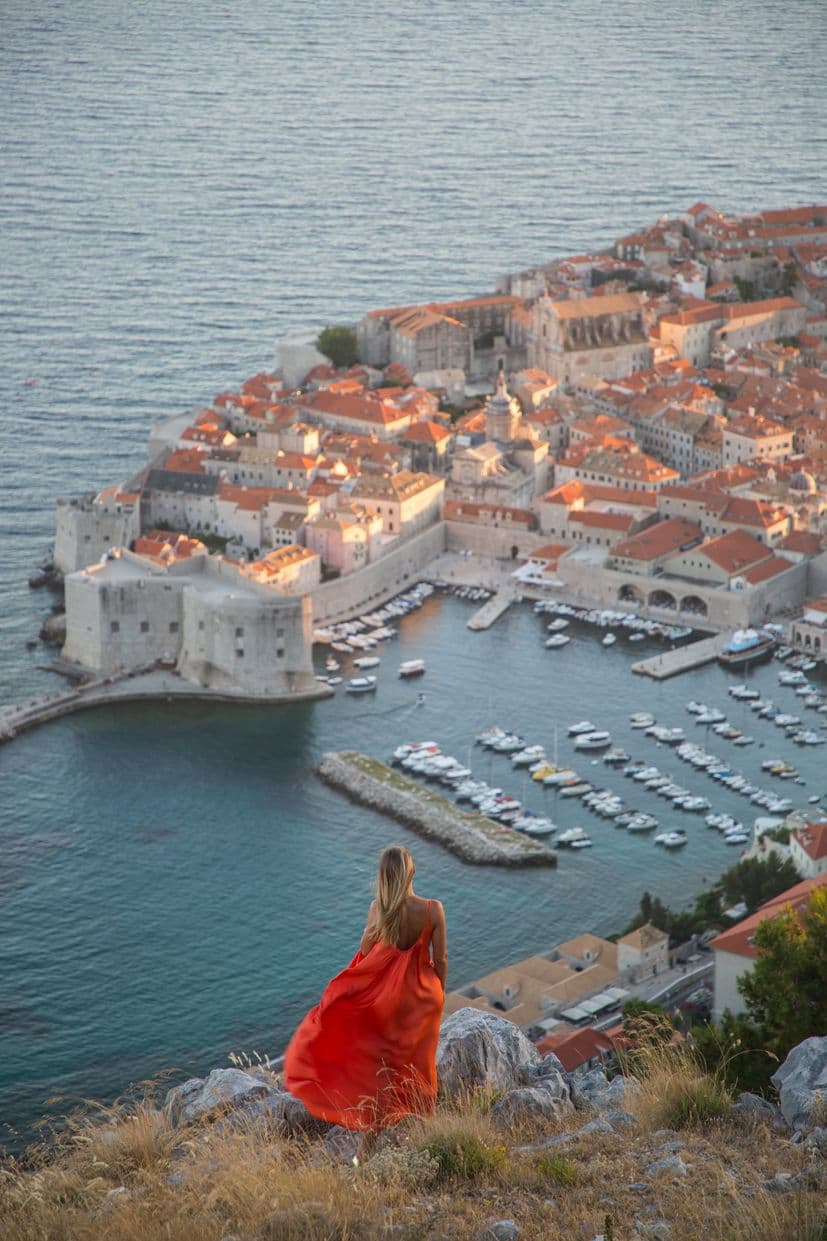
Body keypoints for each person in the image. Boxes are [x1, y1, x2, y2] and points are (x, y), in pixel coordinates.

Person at [284, 845, 447, 1135]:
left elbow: (366, 950)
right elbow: (442, 959)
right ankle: (424, 1119)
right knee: (421, 1059)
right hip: (424, 997)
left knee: (385, 1064)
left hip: (388, 1000)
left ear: (383, 876)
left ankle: (380, 1123)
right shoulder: (433, 909)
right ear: (412, 871)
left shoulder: (378, 909)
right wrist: (440, 994)